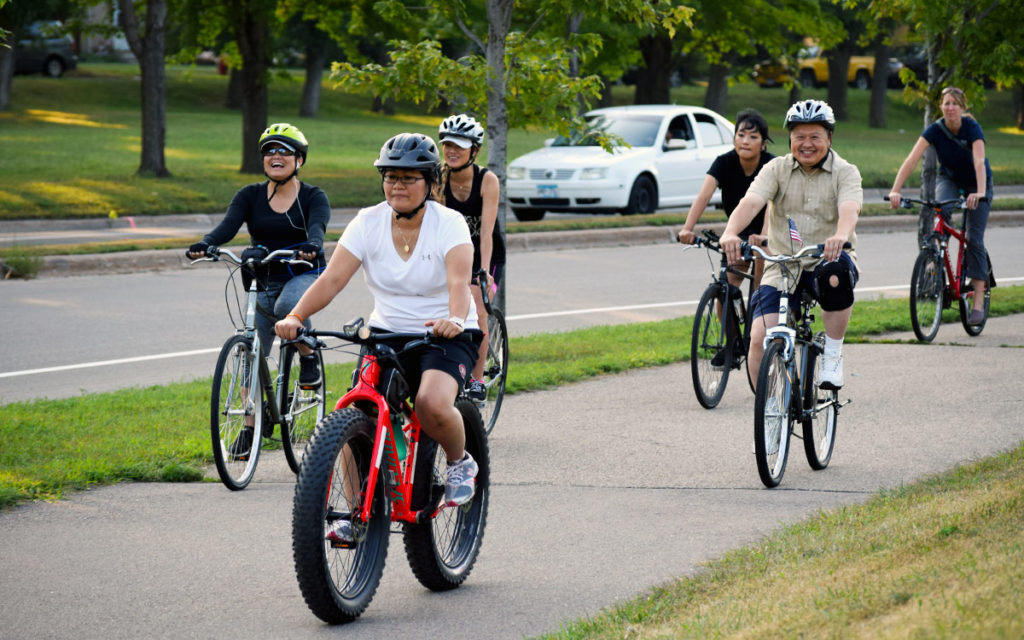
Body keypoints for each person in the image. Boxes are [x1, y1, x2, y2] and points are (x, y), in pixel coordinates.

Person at [275, 133, 481, 542]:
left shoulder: (449, 223)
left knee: (429, 403)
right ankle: (353, 515)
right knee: (354, 411)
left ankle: (460, 462)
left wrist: (455, 318)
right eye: (390, 177)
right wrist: (297, 314)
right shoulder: (367, 222)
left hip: (446, 334)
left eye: (408, 178)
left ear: (429, 183)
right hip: (386, 333)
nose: (397, 186)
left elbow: (460, 283)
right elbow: (332, 279)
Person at [187, 122, 329, 457]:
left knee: (288, 308)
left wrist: (312, 244)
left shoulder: (312, 195)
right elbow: (227, 227)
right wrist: (207, 243)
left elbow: (319, 226)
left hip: (303, 273)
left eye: (284, 151)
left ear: (299, 159)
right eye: (269, 151)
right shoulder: (249, 195)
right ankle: (251, 429)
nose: (276, 156)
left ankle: (307, 355)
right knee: (250, 350)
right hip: (262, 277)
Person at [720, 100, 862, 390]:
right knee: (759, 340)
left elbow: (850, 208)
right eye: (799, 137)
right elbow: (752, 201)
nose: (806, 144)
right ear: (790, 139)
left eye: (814, 137)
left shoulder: (846, 172)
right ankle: (774, 409)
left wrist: (840, 234)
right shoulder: (776, 169)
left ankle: (833, 355)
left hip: (826, 259)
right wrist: (730, 232)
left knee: (834, 274)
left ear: (829, 139)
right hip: (783, 265)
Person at [678, 109, 775, 371]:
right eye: (740, 135)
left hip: (768, 232)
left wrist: (764, 235)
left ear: (763, 143)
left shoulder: (771, 164)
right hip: (737, 232)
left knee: (759, 290)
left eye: (752, 136)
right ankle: (732, 345)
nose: (745, 141)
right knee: (726, 288)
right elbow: (703, 196)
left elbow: (772, 204)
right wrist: (688, 229)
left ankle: (760, 336)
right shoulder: (723, 163)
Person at [888, 86, 993, 325]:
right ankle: (934, 254)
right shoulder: (936, 129)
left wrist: (980, 192)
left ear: (963, 108)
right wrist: (896, 189)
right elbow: (911, 159)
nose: (950, 107)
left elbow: (978, 161)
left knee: (974, 239)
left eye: (955, 103)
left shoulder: (972, 128)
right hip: (950, 179)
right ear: (941, 106)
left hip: (978, 183)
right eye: (946, 103)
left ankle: (977, 301)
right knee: (938, 207)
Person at [436, 113, 503, 402]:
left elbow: (486, 232)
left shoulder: (487, 180)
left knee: (477, 310)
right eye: (448, 144)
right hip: (453, 252)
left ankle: (476, 381)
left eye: (459, 146)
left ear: (474, 150)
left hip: (484, 254)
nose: (452, 151)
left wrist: (485, 273)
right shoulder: (437, 178)